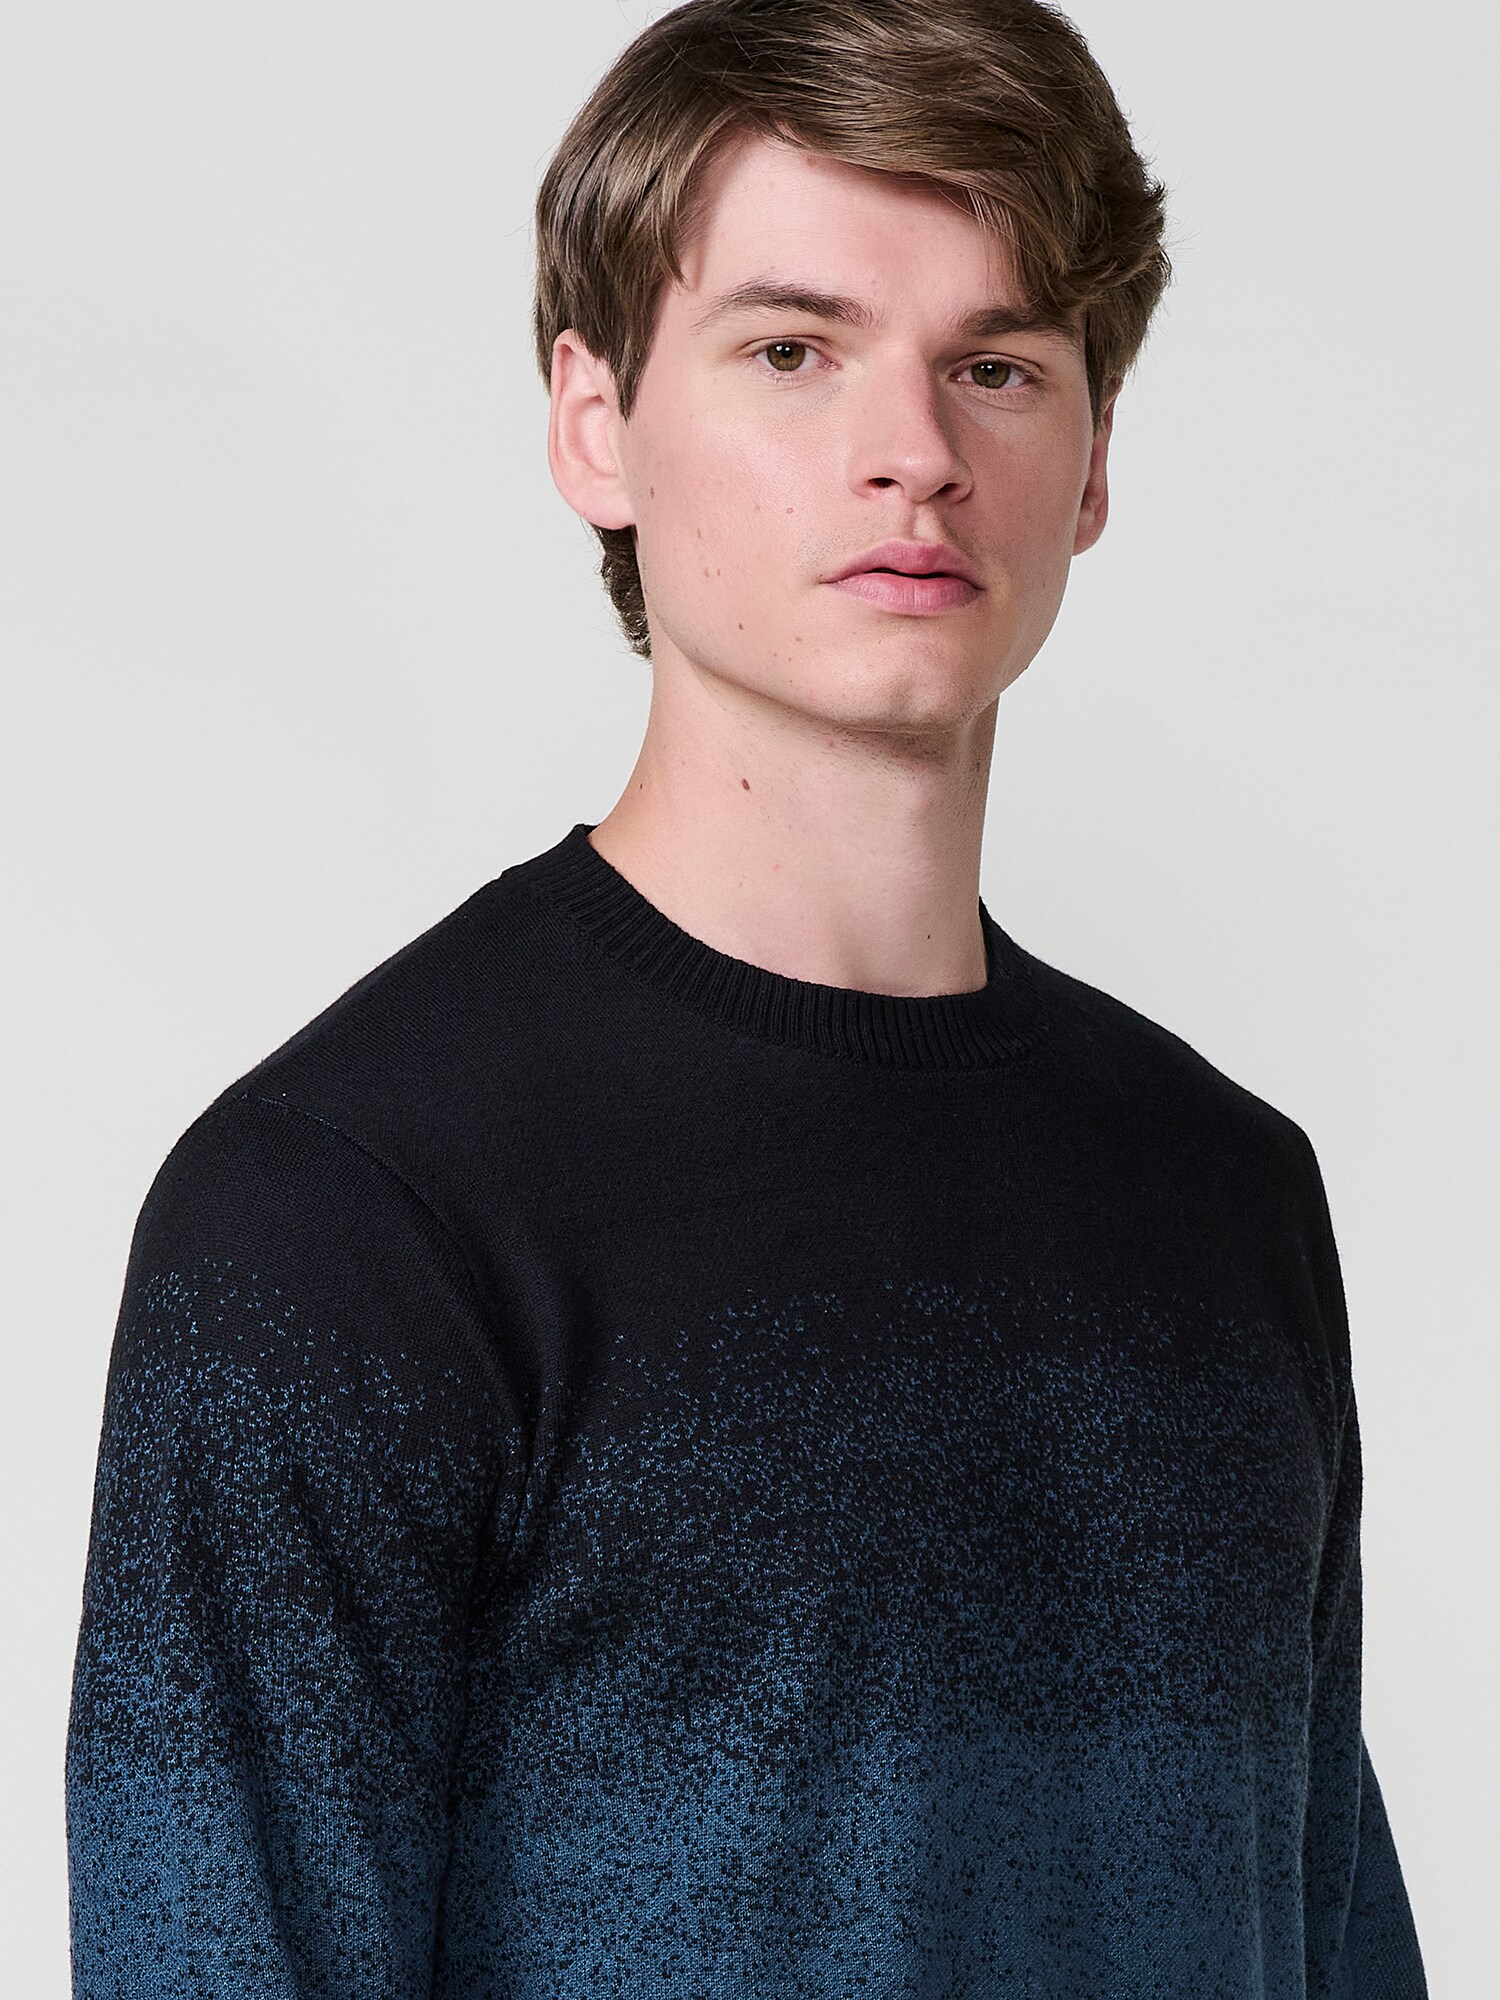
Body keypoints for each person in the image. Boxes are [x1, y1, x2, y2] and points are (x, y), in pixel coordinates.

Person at [65, 1, 1428, 1993]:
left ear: (1093, 460)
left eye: (998, 366)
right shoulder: (341, 1219)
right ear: (595, 424)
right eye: (794, 350)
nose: (916, 453)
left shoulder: (1231, 1196)